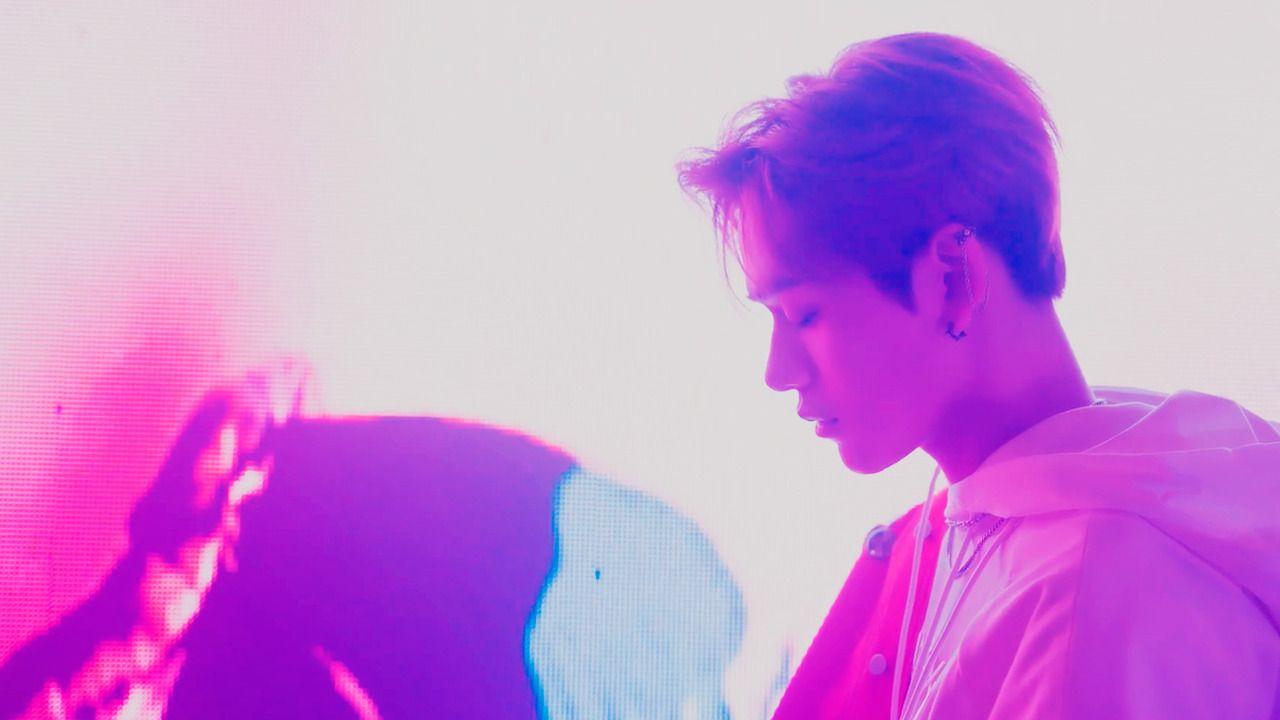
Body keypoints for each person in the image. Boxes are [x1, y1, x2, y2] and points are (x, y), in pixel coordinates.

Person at [676, 31, 1280, 719]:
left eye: (804, 314)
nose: (778, 372)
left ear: (954, 279)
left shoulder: (1092, 597)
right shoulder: (984, 531)